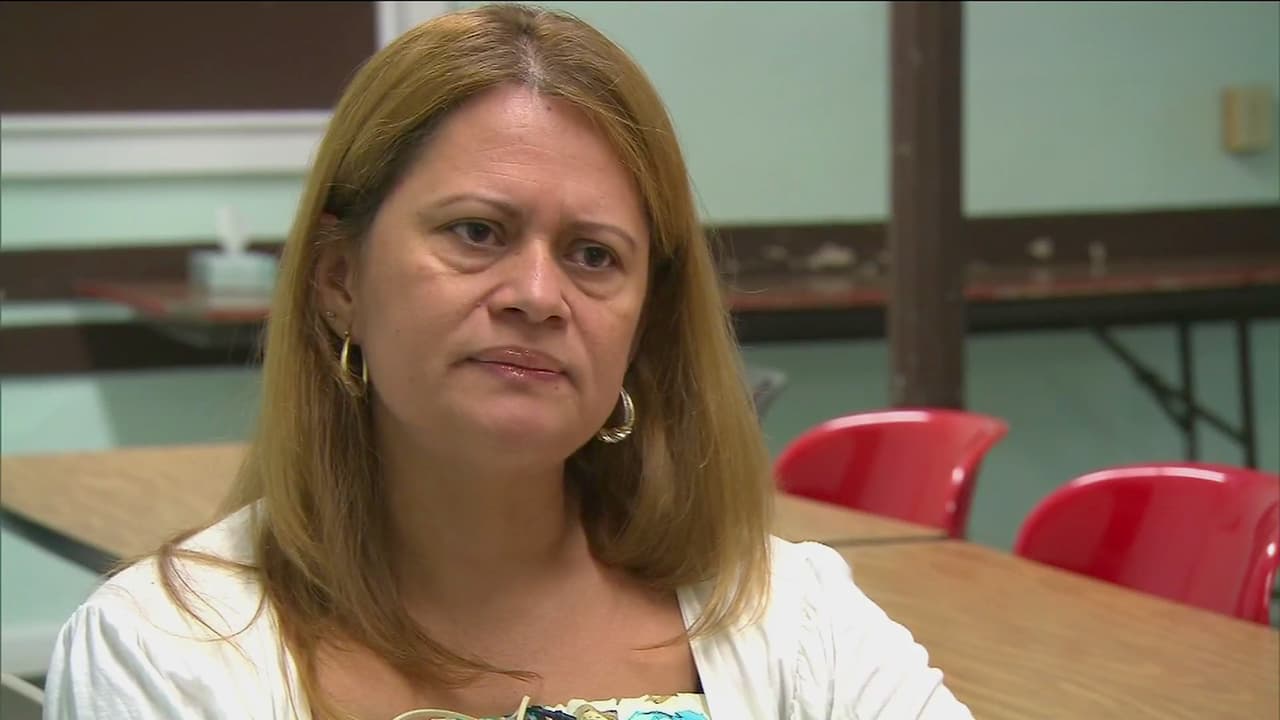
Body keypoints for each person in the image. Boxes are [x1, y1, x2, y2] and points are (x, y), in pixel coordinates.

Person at [43, 4, 973, 719]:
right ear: (338, 280)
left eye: (593, 255)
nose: (537, 294)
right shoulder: (166, 646)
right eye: (477, 232)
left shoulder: (795, 622)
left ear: (644, 322)